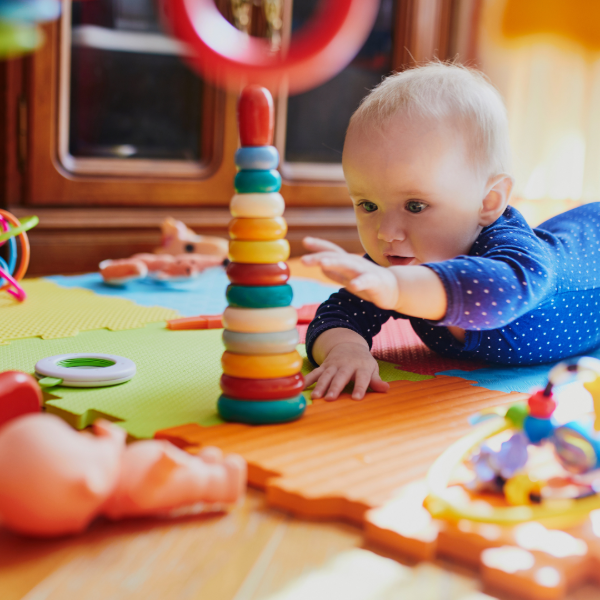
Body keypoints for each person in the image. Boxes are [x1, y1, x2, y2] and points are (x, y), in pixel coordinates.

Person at [302, 62, 600, 402]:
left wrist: (396, 289)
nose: (386, 233)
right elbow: (337, 314)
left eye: (415, 205)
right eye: (368, 205)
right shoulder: (399, 260)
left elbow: (499, 292)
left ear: (487, 202)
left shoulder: (516, 258)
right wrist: (345, 349)